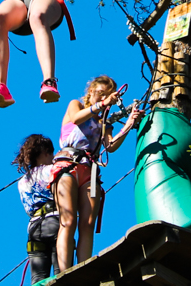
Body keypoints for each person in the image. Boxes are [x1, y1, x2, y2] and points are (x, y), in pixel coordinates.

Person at [51, 76, 143, 272]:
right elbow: (76, 119)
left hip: (90, 171)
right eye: (100, 93)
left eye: (107, 95)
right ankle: (64, 271)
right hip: (68, 164)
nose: (103, 97)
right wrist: (102, 104)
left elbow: (110, 146)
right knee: (68, 220)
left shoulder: (103, 123)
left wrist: (129, 124)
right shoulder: (75, 105)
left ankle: (83, 270)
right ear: (90, 91)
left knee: (88, 223)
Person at [14, 134, 59, 284]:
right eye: (51, 153)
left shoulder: (22, 181)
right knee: (62, 273)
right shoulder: (53, 170)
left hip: (34, 228)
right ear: (46, 152)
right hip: (54, 221)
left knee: (38, 279)